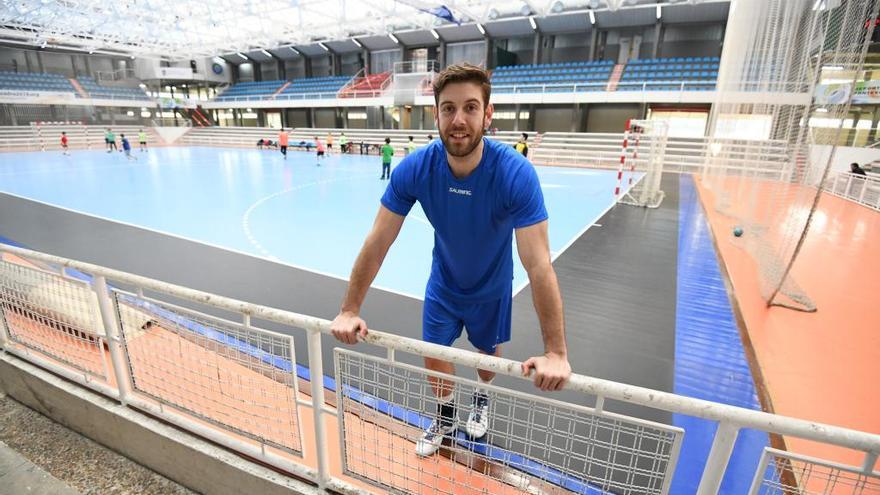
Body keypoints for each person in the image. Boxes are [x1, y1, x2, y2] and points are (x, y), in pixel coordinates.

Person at [330, 64, 570, 457]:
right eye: (448, 109)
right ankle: (444, 418)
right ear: (436, 114)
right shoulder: (416, 168)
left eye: (471, 108)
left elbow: (539, 263)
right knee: (435, 356)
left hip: (492, 289)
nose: (458, 120)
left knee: (487, 359)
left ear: (487, 115)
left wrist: (556, 352)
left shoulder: (515, 174)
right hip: (443, 285)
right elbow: (378, 241)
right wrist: (349, 308)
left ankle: (481, 397)